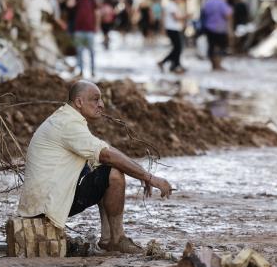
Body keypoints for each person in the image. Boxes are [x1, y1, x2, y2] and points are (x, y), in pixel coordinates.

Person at [18, 80, 174, 254]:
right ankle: (116, 239)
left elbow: (102, 155)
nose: (101, 105)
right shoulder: (68, 125)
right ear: (79, 102)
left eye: (101, 100)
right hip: (46, 205)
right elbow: (107, 154)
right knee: (113, 173)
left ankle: (107, 239)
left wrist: (140, 174)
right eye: (95, 99)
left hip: (42, 202)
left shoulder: (66, 118)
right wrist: (148, 177)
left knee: (101, 167)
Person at [200, 0, 232, 71]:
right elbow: (228, 15)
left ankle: (213, 65)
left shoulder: (207, 2)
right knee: (220, 47)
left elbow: (203, 13)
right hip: (220, 28)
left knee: (211, 46)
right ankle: (218, 65)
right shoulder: (221, 3)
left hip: (209, 27)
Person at [73, 0, 99, 77]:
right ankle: (81, 71)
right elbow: (69, 5)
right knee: (79, 51)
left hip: (90, 29)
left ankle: (92, 70)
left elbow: (97, 13)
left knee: (91, 52)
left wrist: (97, 26)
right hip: (79, 29)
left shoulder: (92, 0)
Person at [158, 0, 186, 73]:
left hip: (175, 28)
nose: (180, 0)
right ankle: (166, 63)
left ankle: (175, 64)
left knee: (178, 48)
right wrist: (186, 17)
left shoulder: (174, 6)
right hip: (172, 28)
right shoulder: (171, 5)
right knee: (177, 48)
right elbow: (175, 17)